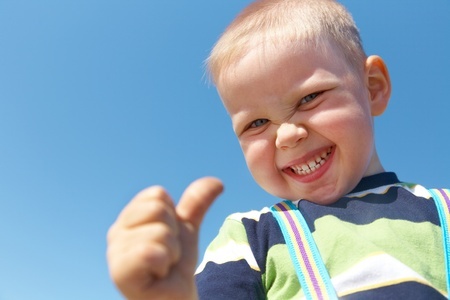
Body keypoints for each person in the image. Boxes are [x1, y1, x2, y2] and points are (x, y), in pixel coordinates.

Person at [106, 0, 448, 299]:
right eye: (256, 124)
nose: (286, 135)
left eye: (309, 98)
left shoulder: (444, 211)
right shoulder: (247, 238)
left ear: (372, 87)